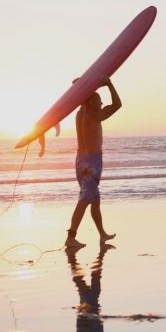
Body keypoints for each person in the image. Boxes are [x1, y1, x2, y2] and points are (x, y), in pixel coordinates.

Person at [65, 76, 121, 249]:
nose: (101, 103)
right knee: (84, 200)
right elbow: (117, 104)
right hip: (91, 163)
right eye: (98, 100)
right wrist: (109, 84)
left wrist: (83, 85)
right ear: (90, 101)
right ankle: (71, 237)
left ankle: (102, 234)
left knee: (94, 199)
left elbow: (79, 92)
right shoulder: (94, 115)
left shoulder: (80, 113)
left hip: (81, 161)